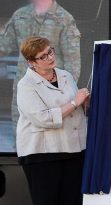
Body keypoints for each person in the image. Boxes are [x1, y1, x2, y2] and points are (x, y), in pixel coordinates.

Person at [16, 36, 88, 205]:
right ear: (31, 62)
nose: (50, 57)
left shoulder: (66, 75)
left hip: (74, 150)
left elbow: (75, 109)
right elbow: (43, 118)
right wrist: (74, 102)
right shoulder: (26, 85)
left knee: (74, 201)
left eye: (50, 51)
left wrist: (84, 103)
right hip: (42, 155)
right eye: (43, 56)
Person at [0, 0, 81, 137]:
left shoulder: (64, 19)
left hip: (53, 93)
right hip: (25, 90)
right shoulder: (20, 15)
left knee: (52, 137)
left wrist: (69, 95)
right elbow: (3, 47)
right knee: (23, 138)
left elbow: (73, 61)